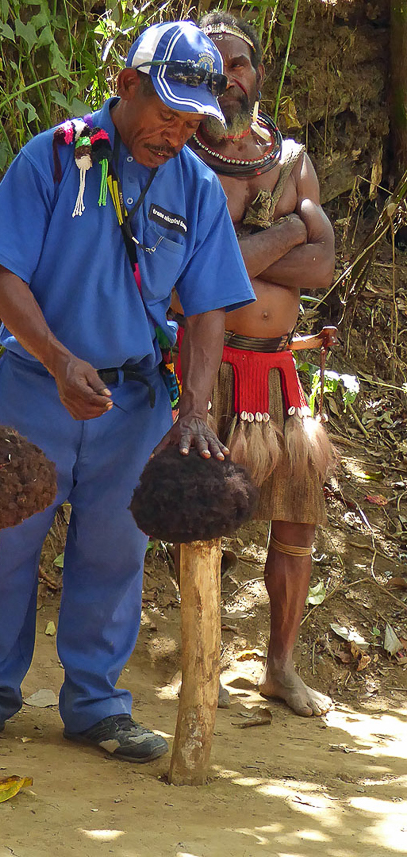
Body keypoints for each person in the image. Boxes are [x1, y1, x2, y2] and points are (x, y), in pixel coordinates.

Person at [0, 21, 255, 763]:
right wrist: (55, 355)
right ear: (125, 86)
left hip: (135, 405)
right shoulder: (52, 156)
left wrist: (194, 412)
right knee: (2, 547)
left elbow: (208, 310)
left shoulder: (197, 186)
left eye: (190, 121)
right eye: (165, 114)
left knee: (113, 555)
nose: (174, 134)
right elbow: (2, 276)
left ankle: (96, 705)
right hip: (34, 390)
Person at [189, 11, 336, 716]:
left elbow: (323, 265)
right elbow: (206, 271)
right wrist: (285, 231)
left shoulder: (290, 157)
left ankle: (279, 666)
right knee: (206, 518)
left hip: (278, 375)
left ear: (257, 70)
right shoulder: (180, 155)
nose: (227, 79)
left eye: (237, 64)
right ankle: (200, 663)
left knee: (296, 522)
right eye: (211, 66)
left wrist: (255, 248)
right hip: (206, 368)